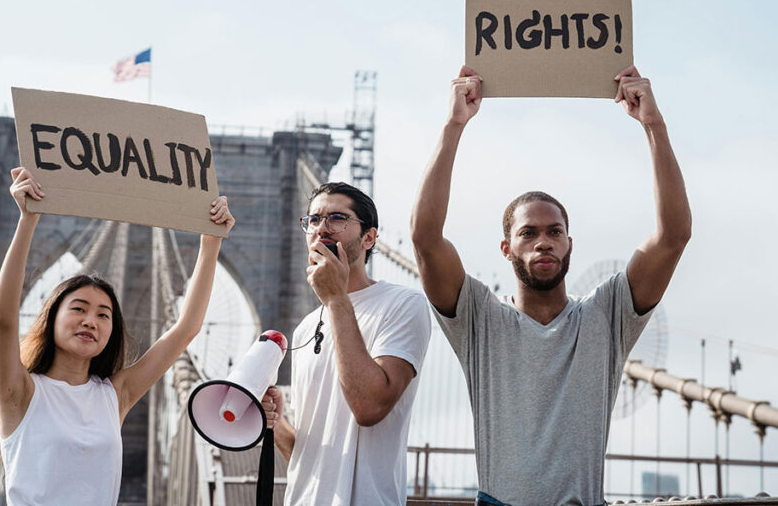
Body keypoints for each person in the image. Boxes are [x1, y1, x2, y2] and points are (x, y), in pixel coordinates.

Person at [410, 66, 691, 506]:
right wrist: (453, 125)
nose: (543, 242)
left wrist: (652, 124)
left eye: (554, 231)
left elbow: (673, 236)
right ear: (506, 248)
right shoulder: (479, 319)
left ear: (569, 244)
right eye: (528, 233)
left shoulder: (607, 315)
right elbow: (425, 239)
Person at [0, 167, 234, 506]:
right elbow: (4, 320)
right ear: (51, 319)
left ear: (111, 332)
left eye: (103, 315)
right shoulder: (20, 392)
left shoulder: (115, 395)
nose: (90, 321)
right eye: (79, 309)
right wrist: (28, 219)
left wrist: (210, 243)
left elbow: (186, 329)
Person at [260, 182, 432, 505]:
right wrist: (275, 423)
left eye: (337, 218)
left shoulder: (404, 305)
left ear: (369, 238)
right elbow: (308, 458)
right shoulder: (305, 329)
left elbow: (369, 407)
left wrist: (337, 299)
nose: (322, 228)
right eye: (313, 220)